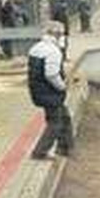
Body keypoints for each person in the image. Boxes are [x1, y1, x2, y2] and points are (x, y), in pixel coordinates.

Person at [28, 21, 74, 159]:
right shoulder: (53, 51)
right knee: (55, 122)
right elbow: (51, 74)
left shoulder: (36, 47)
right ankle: (40, 152)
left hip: (38, 90)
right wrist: (63, 86)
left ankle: (65, 147)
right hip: (49, 92)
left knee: (64, 117)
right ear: (58, 34)